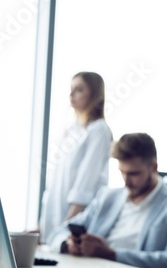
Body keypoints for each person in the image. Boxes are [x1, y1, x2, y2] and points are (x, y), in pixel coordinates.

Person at [49, 133, 167, 268]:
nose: (126, 181)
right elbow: (57, 233)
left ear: (153, 167)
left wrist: (112, 254)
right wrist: (68, 244)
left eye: (133, 174)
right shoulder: (106, 197)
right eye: (122, 172)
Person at [39, 72, 113, 245]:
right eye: (71, 89)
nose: (71, 95)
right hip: (56, 224)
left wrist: (64, 230)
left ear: (94, 94)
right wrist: (42, 227)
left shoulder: (99, 130)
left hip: (72, 223)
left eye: (79, 90)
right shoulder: (72, 130)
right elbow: (55, 185)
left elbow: (84, 185)